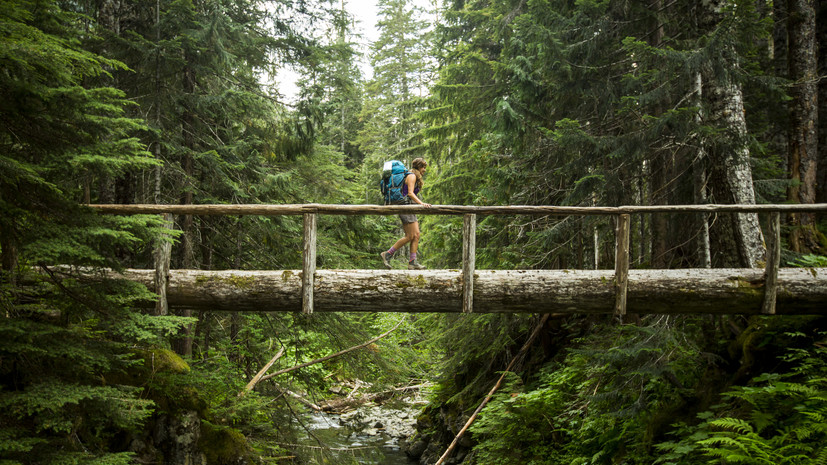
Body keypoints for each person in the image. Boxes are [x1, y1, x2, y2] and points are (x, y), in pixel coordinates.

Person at [380, 157, 431, 270]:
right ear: (418, 167)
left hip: (409, 207)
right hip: (405, 206)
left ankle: (412, 262)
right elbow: (410, 193)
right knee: (410, 236)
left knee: (416, 235)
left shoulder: (412, 176)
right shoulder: (411, 176)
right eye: (423, 167)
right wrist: (422, 203)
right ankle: (388, 254)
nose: (424, 170)